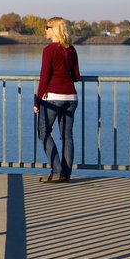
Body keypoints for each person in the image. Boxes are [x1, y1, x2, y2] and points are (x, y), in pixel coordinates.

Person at [34, 17, 81, 183]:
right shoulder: (72, 50)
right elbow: (76, 77)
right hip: (71, 97)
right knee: (67, 136)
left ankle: (57, 171)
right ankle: (66, 174)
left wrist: (37, 101)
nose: (45, 30)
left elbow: (44, 78)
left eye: (47, 27)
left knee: (43, 132)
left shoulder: (49, 51)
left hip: (53, 98)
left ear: (54, 30)